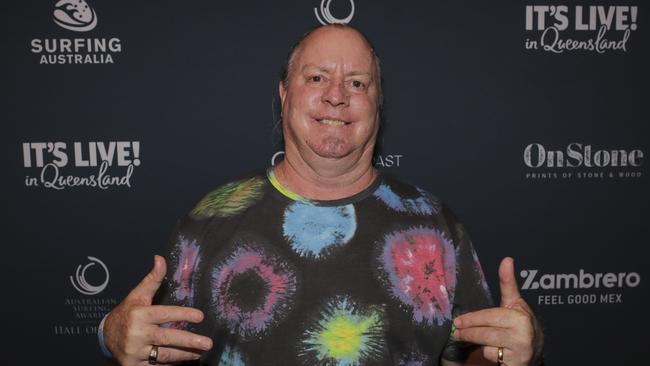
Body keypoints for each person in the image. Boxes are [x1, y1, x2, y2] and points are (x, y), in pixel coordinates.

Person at [100, 24, 543, 366]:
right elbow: (159, 349)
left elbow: (472, 358)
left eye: (356, 83)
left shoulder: (433, 225)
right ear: (284, 94)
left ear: (377, 104)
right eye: (316, 77)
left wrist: (521, 349)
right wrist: (114, 333)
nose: (336, 96)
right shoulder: (211, 219)